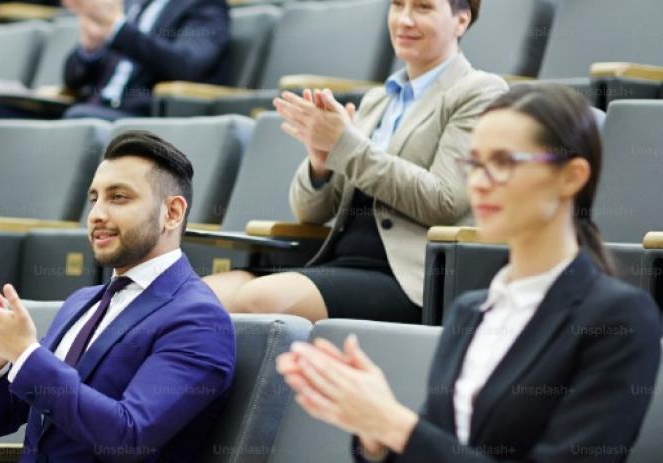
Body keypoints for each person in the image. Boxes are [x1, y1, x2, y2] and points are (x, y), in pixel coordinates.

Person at [278, 84, 662, 462]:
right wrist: (376, 438)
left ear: (572, 176)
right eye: (474, 164)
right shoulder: (470, 309)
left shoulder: (619, 318)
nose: (478, 183)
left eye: (504, 162)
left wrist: (395, 426)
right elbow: (438, 450)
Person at [203, 0, 508, 323]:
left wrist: (345, 145)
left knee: (257, 299)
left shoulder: (479, 92)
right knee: (198, 297)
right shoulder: (378, 99)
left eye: (423, 8)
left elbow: (444, 202)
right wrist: (321, 162)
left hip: (407, 277)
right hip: (336, 261)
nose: (404, 20)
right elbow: (310, 213)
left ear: (461, 21)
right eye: (398, 5)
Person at [0, 131, 236, 462]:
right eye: (94, 199)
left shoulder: (199, 320)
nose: (96, 214)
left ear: (172, 212)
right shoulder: (80, 302)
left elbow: (129, 437)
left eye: (118, 197)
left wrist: (24, 353)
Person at [0, 0, 229, 122]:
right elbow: (73, 77)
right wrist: (90, 48)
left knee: (79, 117)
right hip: (87, 107)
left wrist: (118, 29)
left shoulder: (204, 5)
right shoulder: (132, 4)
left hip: (139, 115)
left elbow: (187, 64)